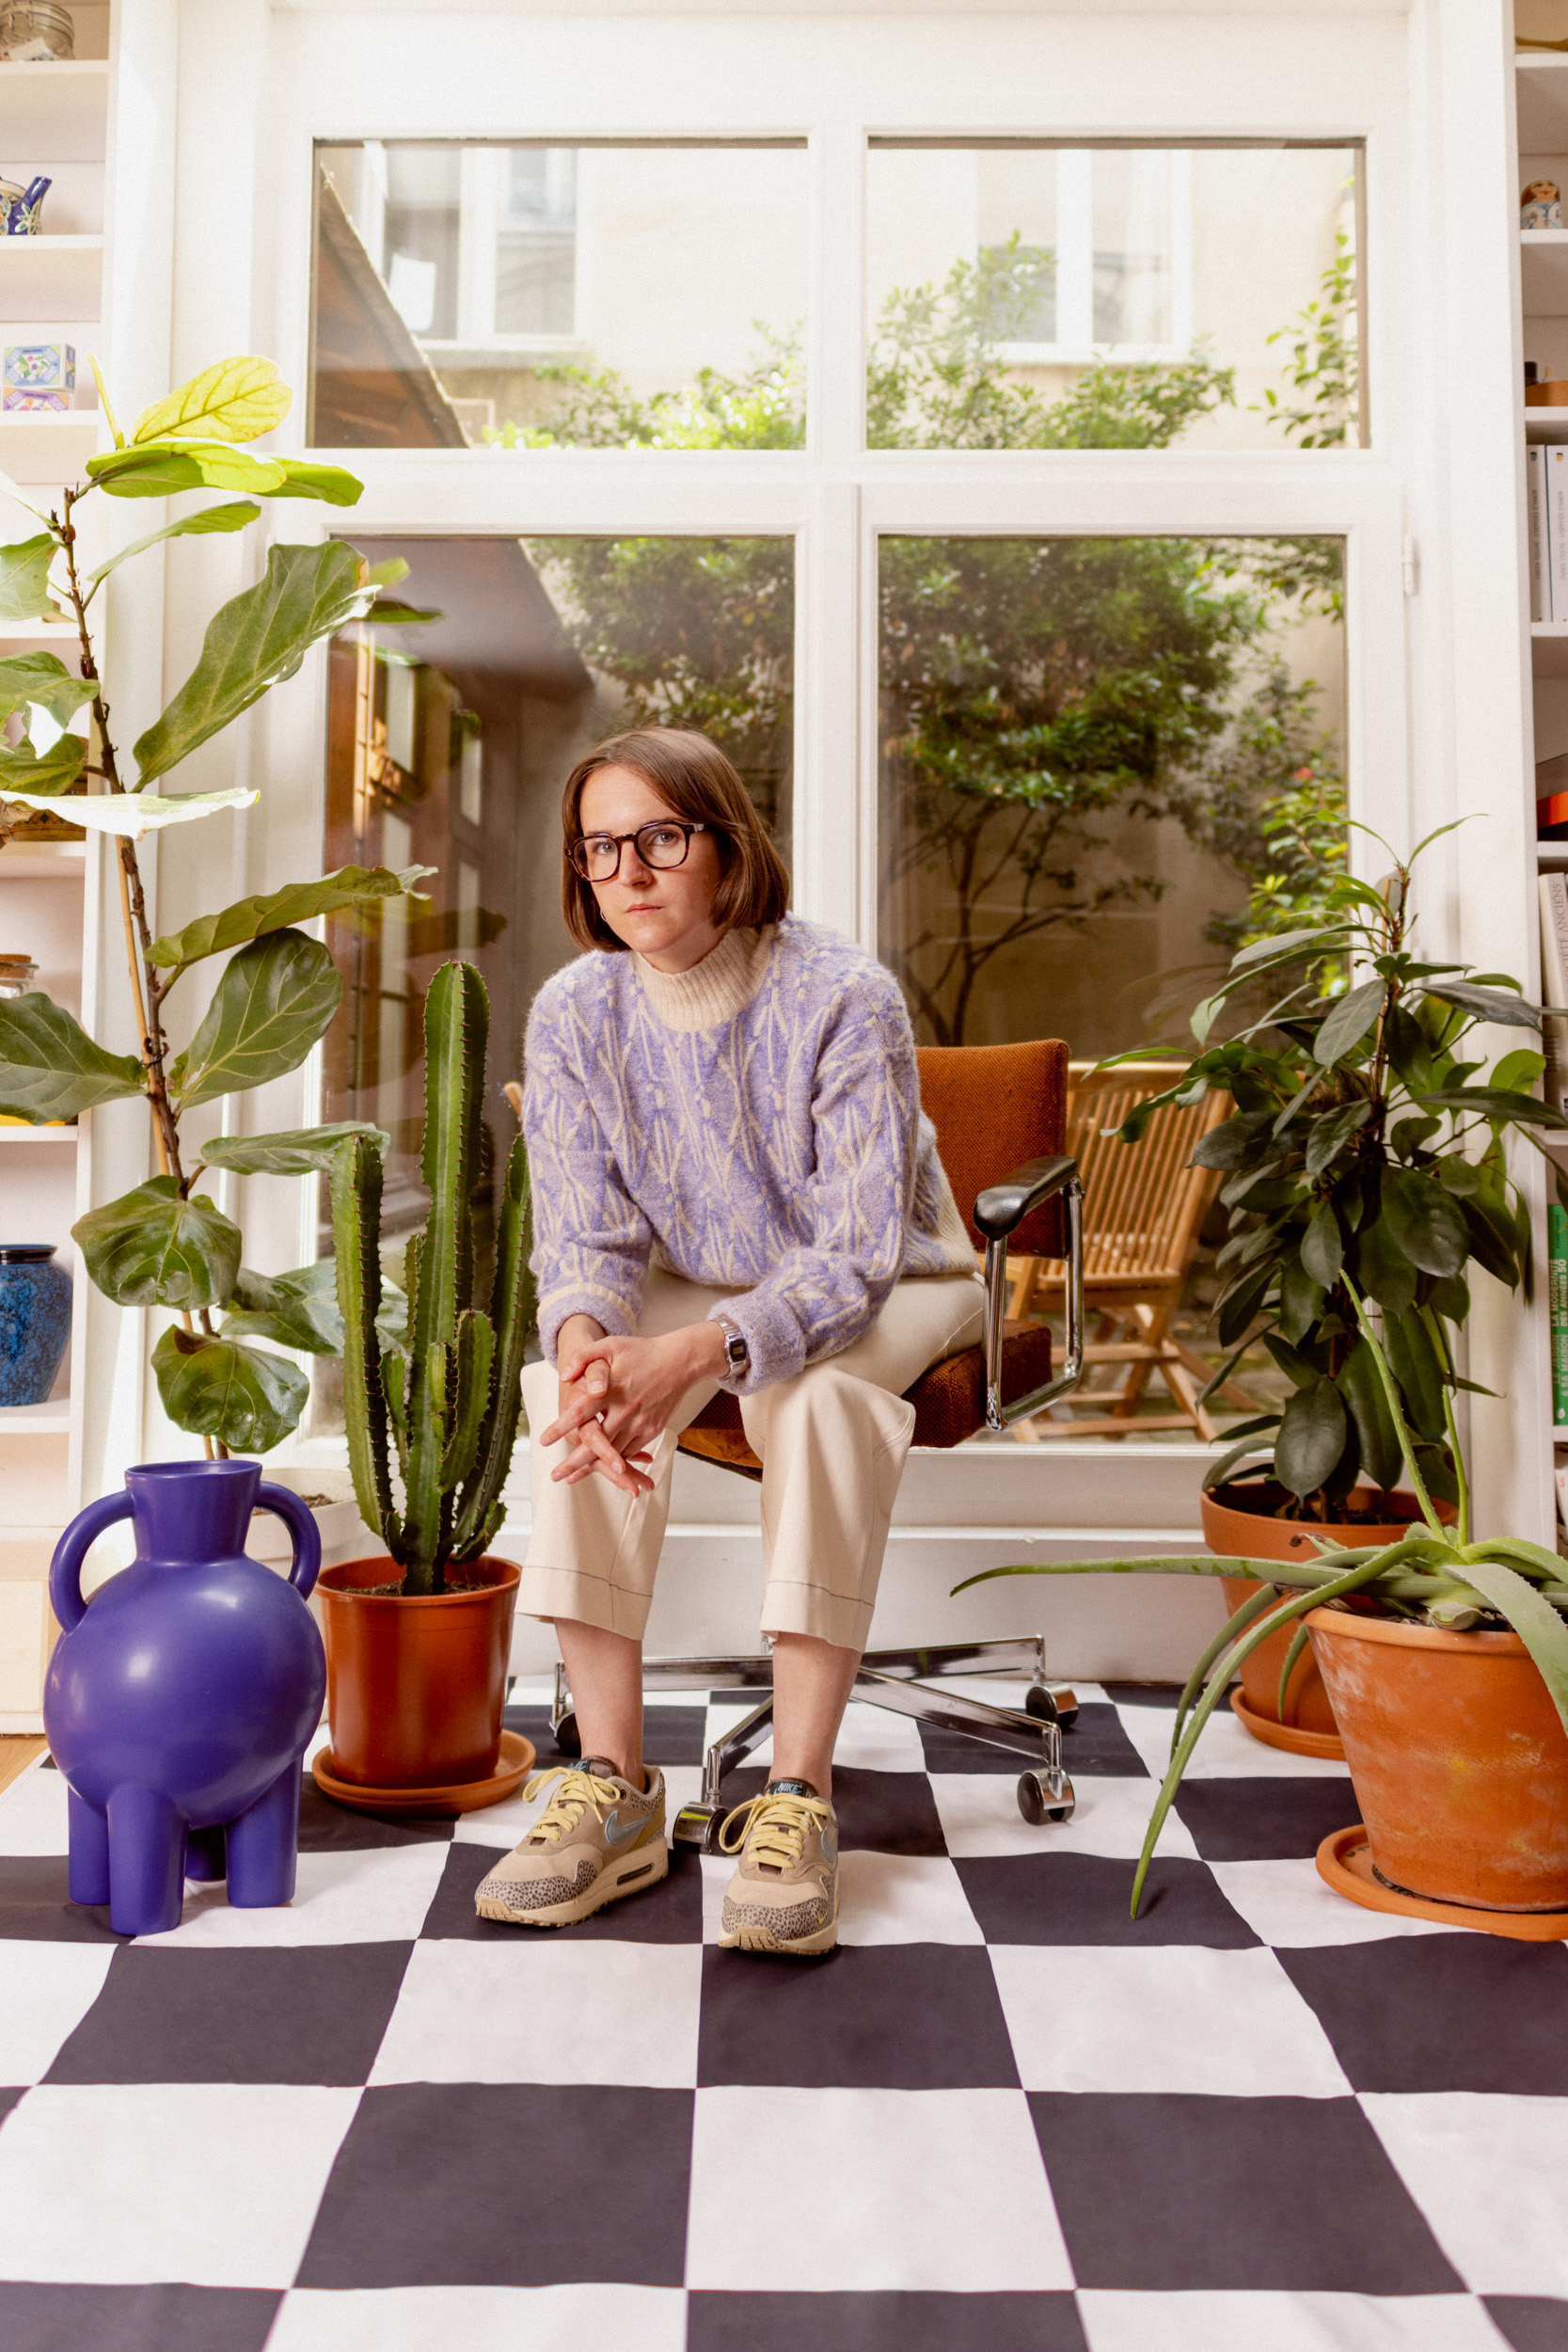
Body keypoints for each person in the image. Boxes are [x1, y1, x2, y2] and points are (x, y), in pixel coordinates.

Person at [475, 727, 982, 1954]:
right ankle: (612, 1785)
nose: (630, 871)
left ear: (726, 845)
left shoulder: (841, 994)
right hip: (701, 1274)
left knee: (807, 1399)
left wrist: (699, 1351)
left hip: (899, 1275)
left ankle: (798, 1794)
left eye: (661, 837)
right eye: (601, 847)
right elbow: (585, 1239)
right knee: (572, 1386)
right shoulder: (573, 1012)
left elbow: (853, 1256)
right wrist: (596, 1348)